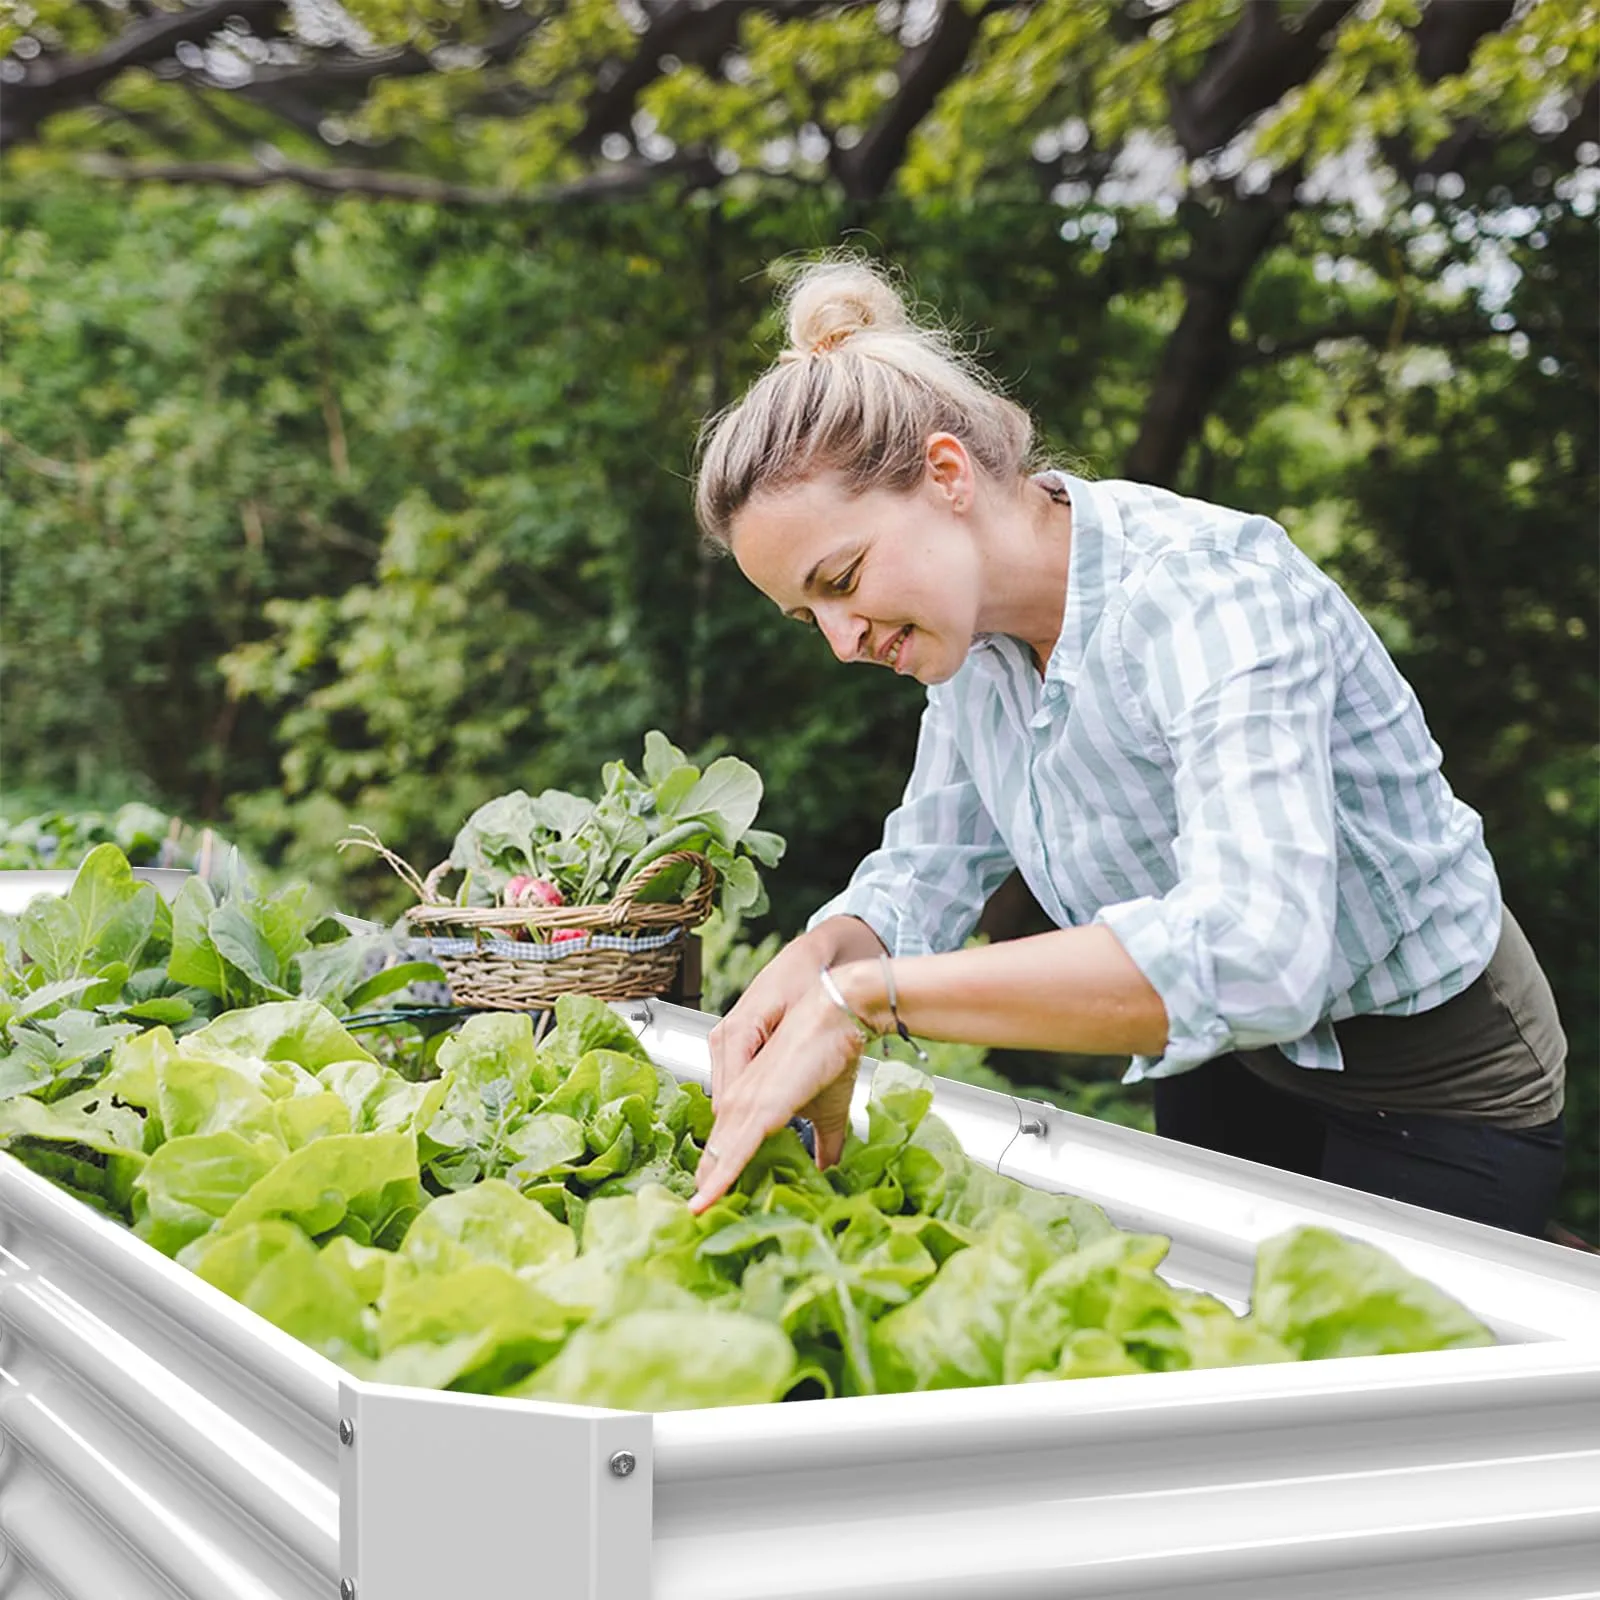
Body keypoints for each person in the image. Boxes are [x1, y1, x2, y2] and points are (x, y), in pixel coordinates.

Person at [685, 254, 1566, 1240]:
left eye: (841, 578)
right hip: (1223, 1056)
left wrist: (866, 1000)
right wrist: (818, 959)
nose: (844, 643)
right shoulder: (967, 649)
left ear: (946, 475)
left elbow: (1256, 952)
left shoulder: (1207, 596)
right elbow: (922, 872)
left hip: (1433, 1079)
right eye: (810, 618)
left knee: (1382, 1387)